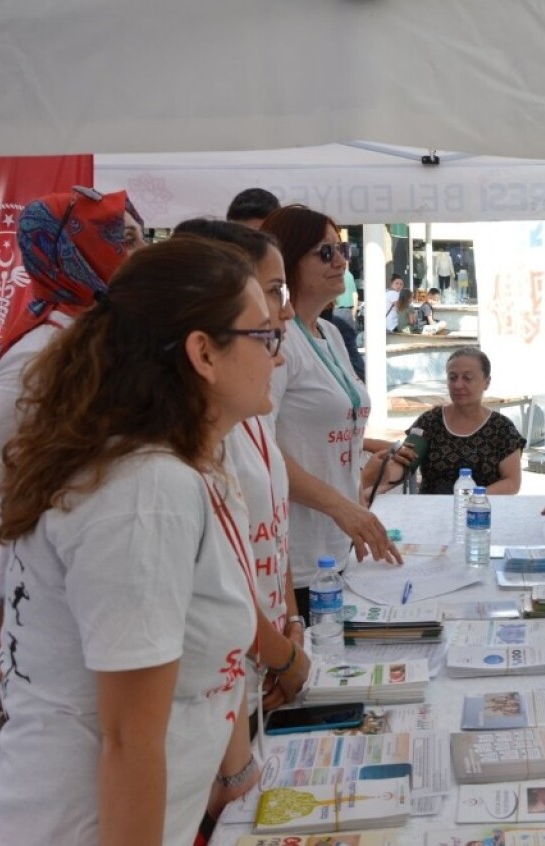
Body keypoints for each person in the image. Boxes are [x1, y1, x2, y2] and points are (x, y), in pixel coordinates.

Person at [0, 237, 269, 843]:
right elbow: (129, 741)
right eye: (264, 337)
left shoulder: (176, 466)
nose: (278, 356)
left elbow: (210, 659)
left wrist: (234, 773)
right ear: (203, 353)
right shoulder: (145, 492)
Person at [0, 187, 144, 679]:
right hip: (53, 628)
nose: (142, 256)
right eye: (125, 241)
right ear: (78, 254)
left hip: (107, 613)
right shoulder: (40, 359)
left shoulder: (98, 341)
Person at [170, 219, 311, 714]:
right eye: (273, 293)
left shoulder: (249, 409)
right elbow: (215, 589)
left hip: (257, 678)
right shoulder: (179, 456)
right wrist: (282, 654)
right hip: (224, 687)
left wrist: (291, 625)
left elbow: (272, 530)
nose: (285, 314)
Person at [261, 206, 400, 617]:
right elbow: (261, 449)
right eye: (325, 252)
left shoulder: (331, 334)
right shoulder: (280, 343)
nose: (340, 261)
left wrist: (356, 497)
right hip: (297, 555)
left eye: (343, 249)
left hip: (338, 548)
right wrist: (342, 507)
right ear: (288, 263)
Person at [371, 348, 525, 496]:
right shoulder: (429, 422)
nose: (458, 385)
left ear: (487, 382)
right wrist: (374, 487)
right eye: (452, 378)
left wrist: (471, 499)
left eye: (467, 378)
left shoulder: (502, 428)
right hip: (432, 513)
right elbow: (404, 464)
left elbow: (512, 482)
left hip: (481, 514)